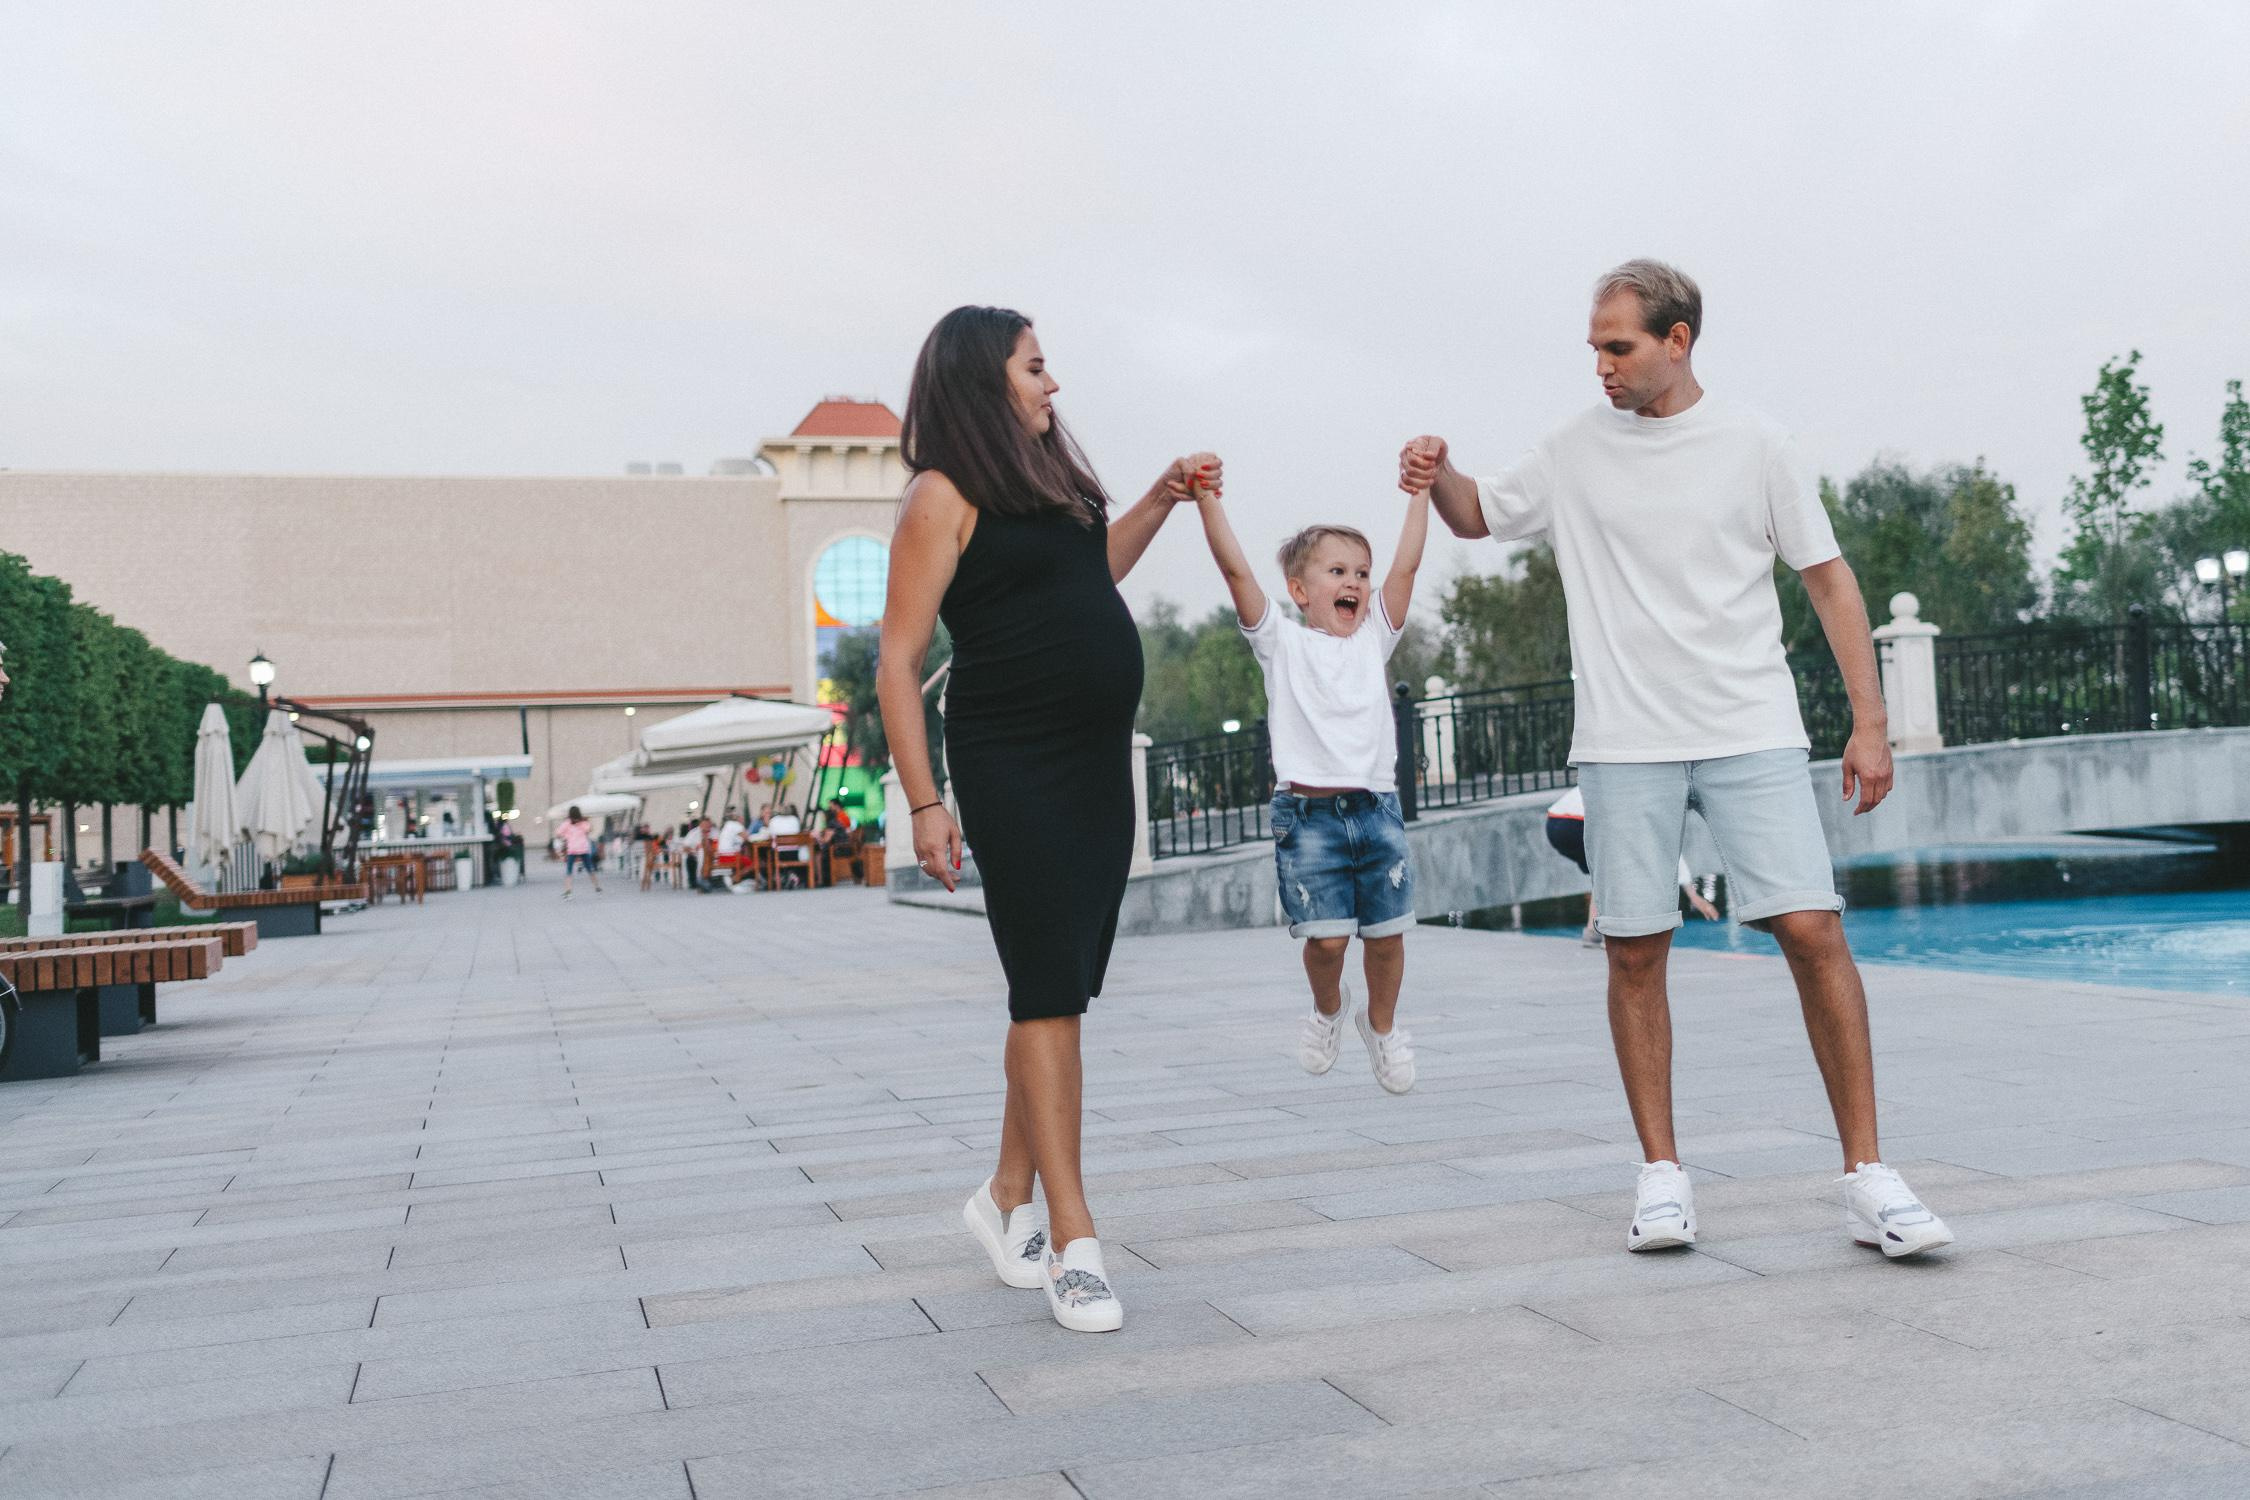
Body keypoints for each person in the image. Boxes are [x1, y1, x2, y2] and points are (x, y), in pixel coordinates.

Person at [1403, 258, 1953, 1260]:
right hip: (1626, 740)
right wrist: (1438, 471)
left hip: (1750, 725)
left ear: (1678, 339)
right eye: (1595, 349)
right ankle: (1662, 1176)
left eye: (1619, 347)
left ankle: (1870, 1177)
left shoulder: (1756, 444)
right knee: (1637, 947)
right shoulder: (1574, 448)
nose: (1602, 368)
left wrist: (1869, 723)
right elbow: (1478, 513)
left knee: (1812, 932)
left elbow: (1829, 582)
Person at [877, 303, 1210, 1334]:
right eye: (1034, 368)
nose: (1051, 385)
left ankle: (1002, 1196)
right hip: (1011, 762)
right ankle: (1074, 1241)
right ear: (986, 382)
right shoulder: (939, 495)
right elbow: (895, 662)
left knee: (1059, 986)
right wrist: (927, 802)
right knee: (1045, 991)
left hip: (1093, 766)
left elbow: (1087, 577)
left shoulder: (1052, 482)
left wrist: (1159, 496)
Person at [1190, 480, 1432, 1093]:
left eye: (1361, 573)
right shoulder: (1281, 644)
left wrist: (1420, 492)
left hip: (1376, 810)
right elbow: (1235, 570)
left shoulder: (1375, 638)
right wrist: (1208, 498)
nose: (1353, 583)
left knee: (1386, 936)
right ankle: (1329, 1009)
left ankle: (1380, 1026)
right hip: (1307, 819)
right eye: (1336, 571)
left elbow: (1407, 564)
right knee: (1325, 944)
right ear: (1300, 592)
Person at [1546, 785, 1718, 946]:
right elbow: (1667, 846)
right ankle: (1607, 932)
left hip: (1554, 822)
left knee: (1603, 872)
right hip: (1577, 822)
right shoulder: (1649, 801)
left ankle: (1593, 933)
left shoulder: (1635, 782)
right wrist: (1692, 895)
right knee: (1617, 870)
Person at [558, 806, 601, 898]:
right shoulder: (583, 823)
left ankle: (568, 890)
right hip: (583, 848)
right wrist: (587, 821)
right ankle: (597, 887)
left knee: (569, 871)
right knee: (590, 869)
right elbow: (589, 830)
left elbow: (558, 833)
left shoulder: (567, 823)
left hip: (572, 849)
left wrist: (566, 836)